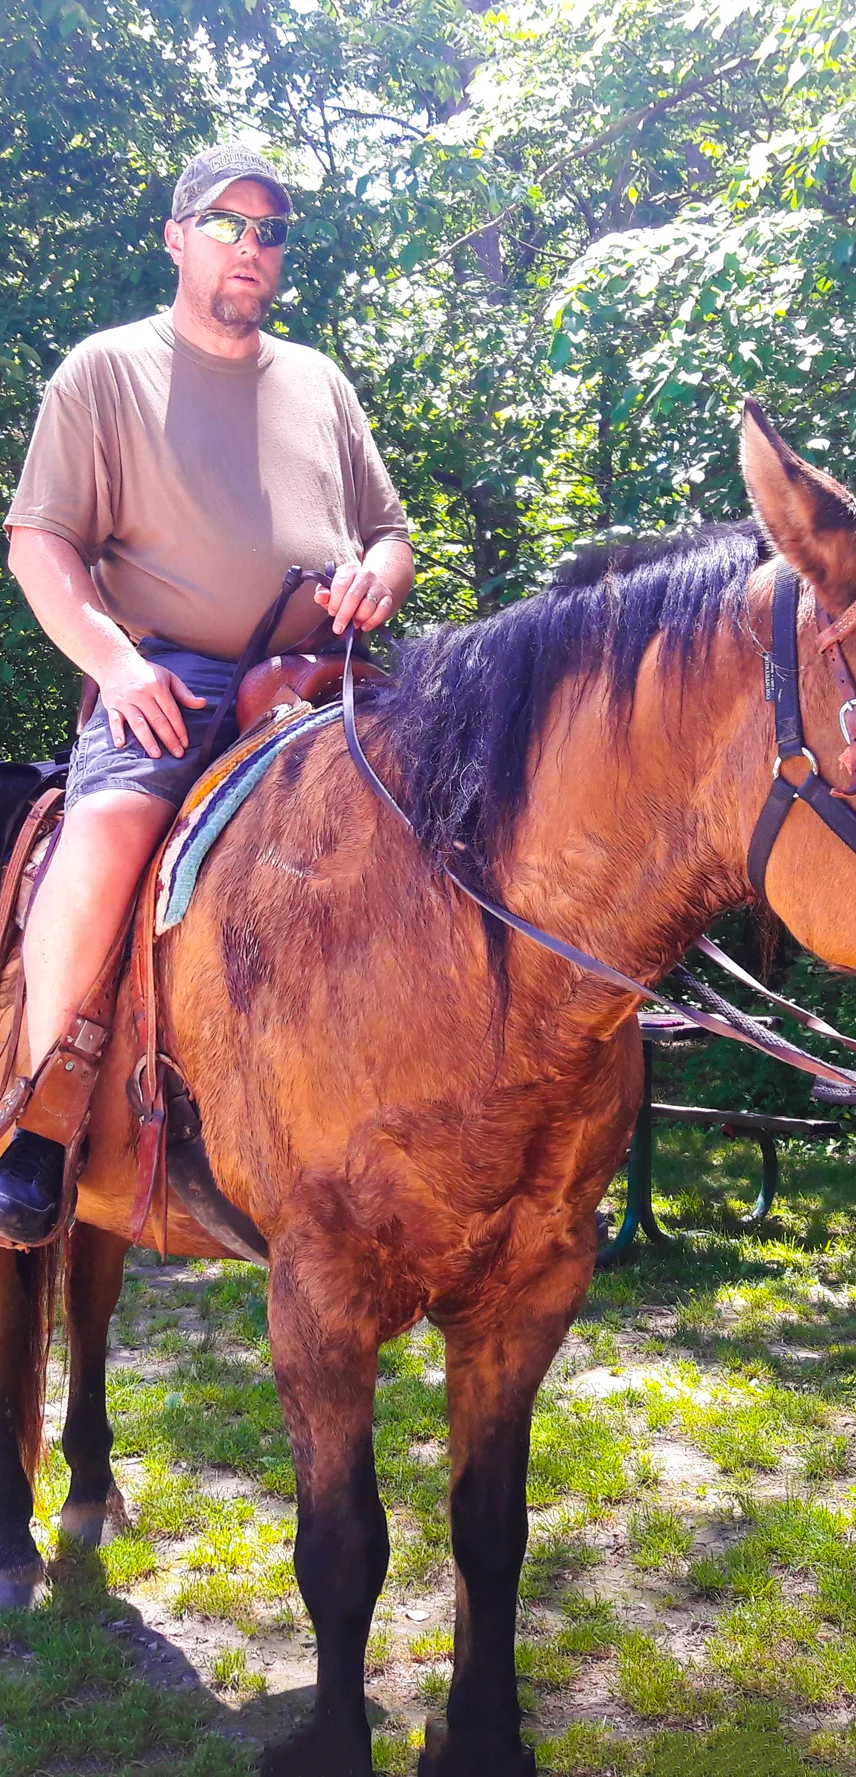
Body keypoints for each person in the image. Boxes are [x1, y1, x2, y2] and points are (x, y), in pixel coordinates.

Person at [0, 144, 414, 1241]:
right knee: (108, 829)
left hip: (323, 669)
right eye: (227, 224)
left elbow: (389, 531)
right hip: (168, 670)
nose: (252, 247)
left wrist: (380, 570)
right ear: (177, 237)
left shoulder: (319, 380)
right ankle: (38, 1116)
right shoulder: (105, 371)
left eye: (270, 231)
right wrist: (115, 664)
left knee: (462, 802)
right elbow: (39, 541)